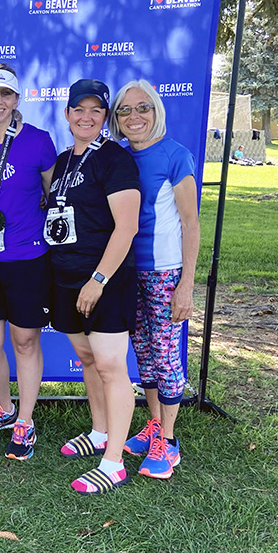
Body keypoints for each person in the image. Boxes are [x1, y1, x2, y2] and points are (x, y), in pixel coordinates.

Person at [46, 78, 141, 493]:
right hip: (65, 276)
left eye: (95, 111)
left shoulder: (115, 159)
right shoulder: (66, 159)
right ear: (67, 115)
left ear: (105, 117)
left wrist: (98, 280)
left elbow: (127, 226)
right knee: (87, 359)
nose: (86, 117)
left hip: (105, 279)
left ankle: (114, 461)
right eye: (78, 110)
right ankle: (99, 431)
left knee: (109, 365)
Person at [0, 63, 57, 460]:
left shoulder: (38, 141)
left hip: (28, 256)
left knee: (25, 339)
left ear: (16, 100)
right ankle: (4, 407)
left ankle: (26, 420)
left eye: (6, 95)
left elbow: (52, 194)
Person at [109, 79, 200, 480]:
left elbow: (190, 223)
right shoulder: (120, 158)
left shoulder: (176, 155)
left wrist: (187, 285)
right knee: (144, 352)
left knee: (165, 355)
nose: (134, 116)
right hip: (130, 269)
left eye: (142, 108)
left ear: (156, 111)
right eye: (125, 110)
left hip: (165, 270)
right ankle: (153, 425)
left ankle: (169, 440)